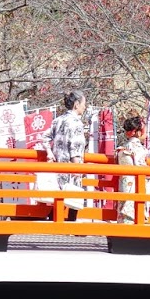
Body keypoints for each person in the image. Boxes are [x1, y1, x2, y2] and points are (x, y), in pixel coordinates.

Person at [45, 90, 88, 219]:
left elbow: (45, 137)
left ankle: (53, 221)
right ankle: (71, 224)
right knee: (74, 200)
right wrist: (77, 167)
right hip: (71, 166)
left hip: (58, 166)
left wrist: (49, 153)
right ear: (76, 104)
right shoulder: (76, 123)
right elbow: (75, 146)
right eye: (83, 104)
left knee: (59, 198)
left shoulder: (58, 120)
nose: (84, 107)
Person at [115, 113, 150, 223]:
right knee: (135, 213)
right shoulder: (138, 148)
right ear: (138, 132)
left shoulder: (125, 147)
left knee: (124, 211)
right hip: (135, 184)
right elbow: (141, 167)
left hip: (124, 182)